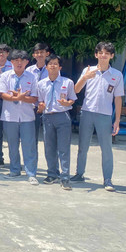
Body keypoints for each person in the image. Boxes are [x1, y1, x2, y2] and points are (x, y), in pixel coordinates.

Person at [72, 42, 124, 192]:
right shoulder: (88, 71)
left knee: (106, 148)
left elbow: (118, 98)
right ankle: (79, 173)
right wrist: (85, 77)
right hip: (87, 112)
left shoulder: (116, 75)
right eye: (100, 53)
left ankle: (107, 179)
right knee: (83, 146)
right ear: (96, 55)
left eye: (107, 53)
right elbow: (75, 90)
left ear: (112, 56)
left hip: (105, 115)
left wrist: (117, 120)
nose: (103, 55)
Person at [0, 50, 39, 185]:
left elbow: (34, 97)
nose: (19, 63)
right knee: (12, 145)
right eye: (16, 60)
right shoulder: (4, 76)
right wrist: (16, 97)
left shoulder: (32, 78)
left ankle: (31, 173)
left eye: (22, 60)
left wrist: (22, 98)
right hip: (10, 116)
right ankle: (14, 170)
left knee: (29, 146)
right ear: (12, 62)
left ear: (27, 62)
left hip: (27, 117)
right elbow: (2, 94)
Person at [37, 54, 77, 190]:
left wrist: (68, 102)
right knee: (49, 148)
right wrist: (41, 106)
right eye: (50, 63)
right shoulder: (41, 84)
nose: (53, 66)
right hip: (47, 117)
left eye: (55, 63)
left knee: (63, 148)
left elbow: (72, 99)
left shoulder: (68, 82)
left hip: (62, 116)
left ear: (60, 67)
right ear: (46, 67)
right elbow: (40, 101)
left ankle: (65, 177)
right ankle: (52, 173)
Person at [26, 43, 51, 149]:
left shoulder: (52, 69)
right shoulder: (29, 70)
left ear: (47, 54)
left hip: (47, 107)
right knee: (32, 137)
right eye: (37, 52)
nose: (39, 54)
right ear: (33, 55)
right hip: (32, 108)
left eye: (42, 52)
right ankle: (32, 163)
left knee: (49, 138)